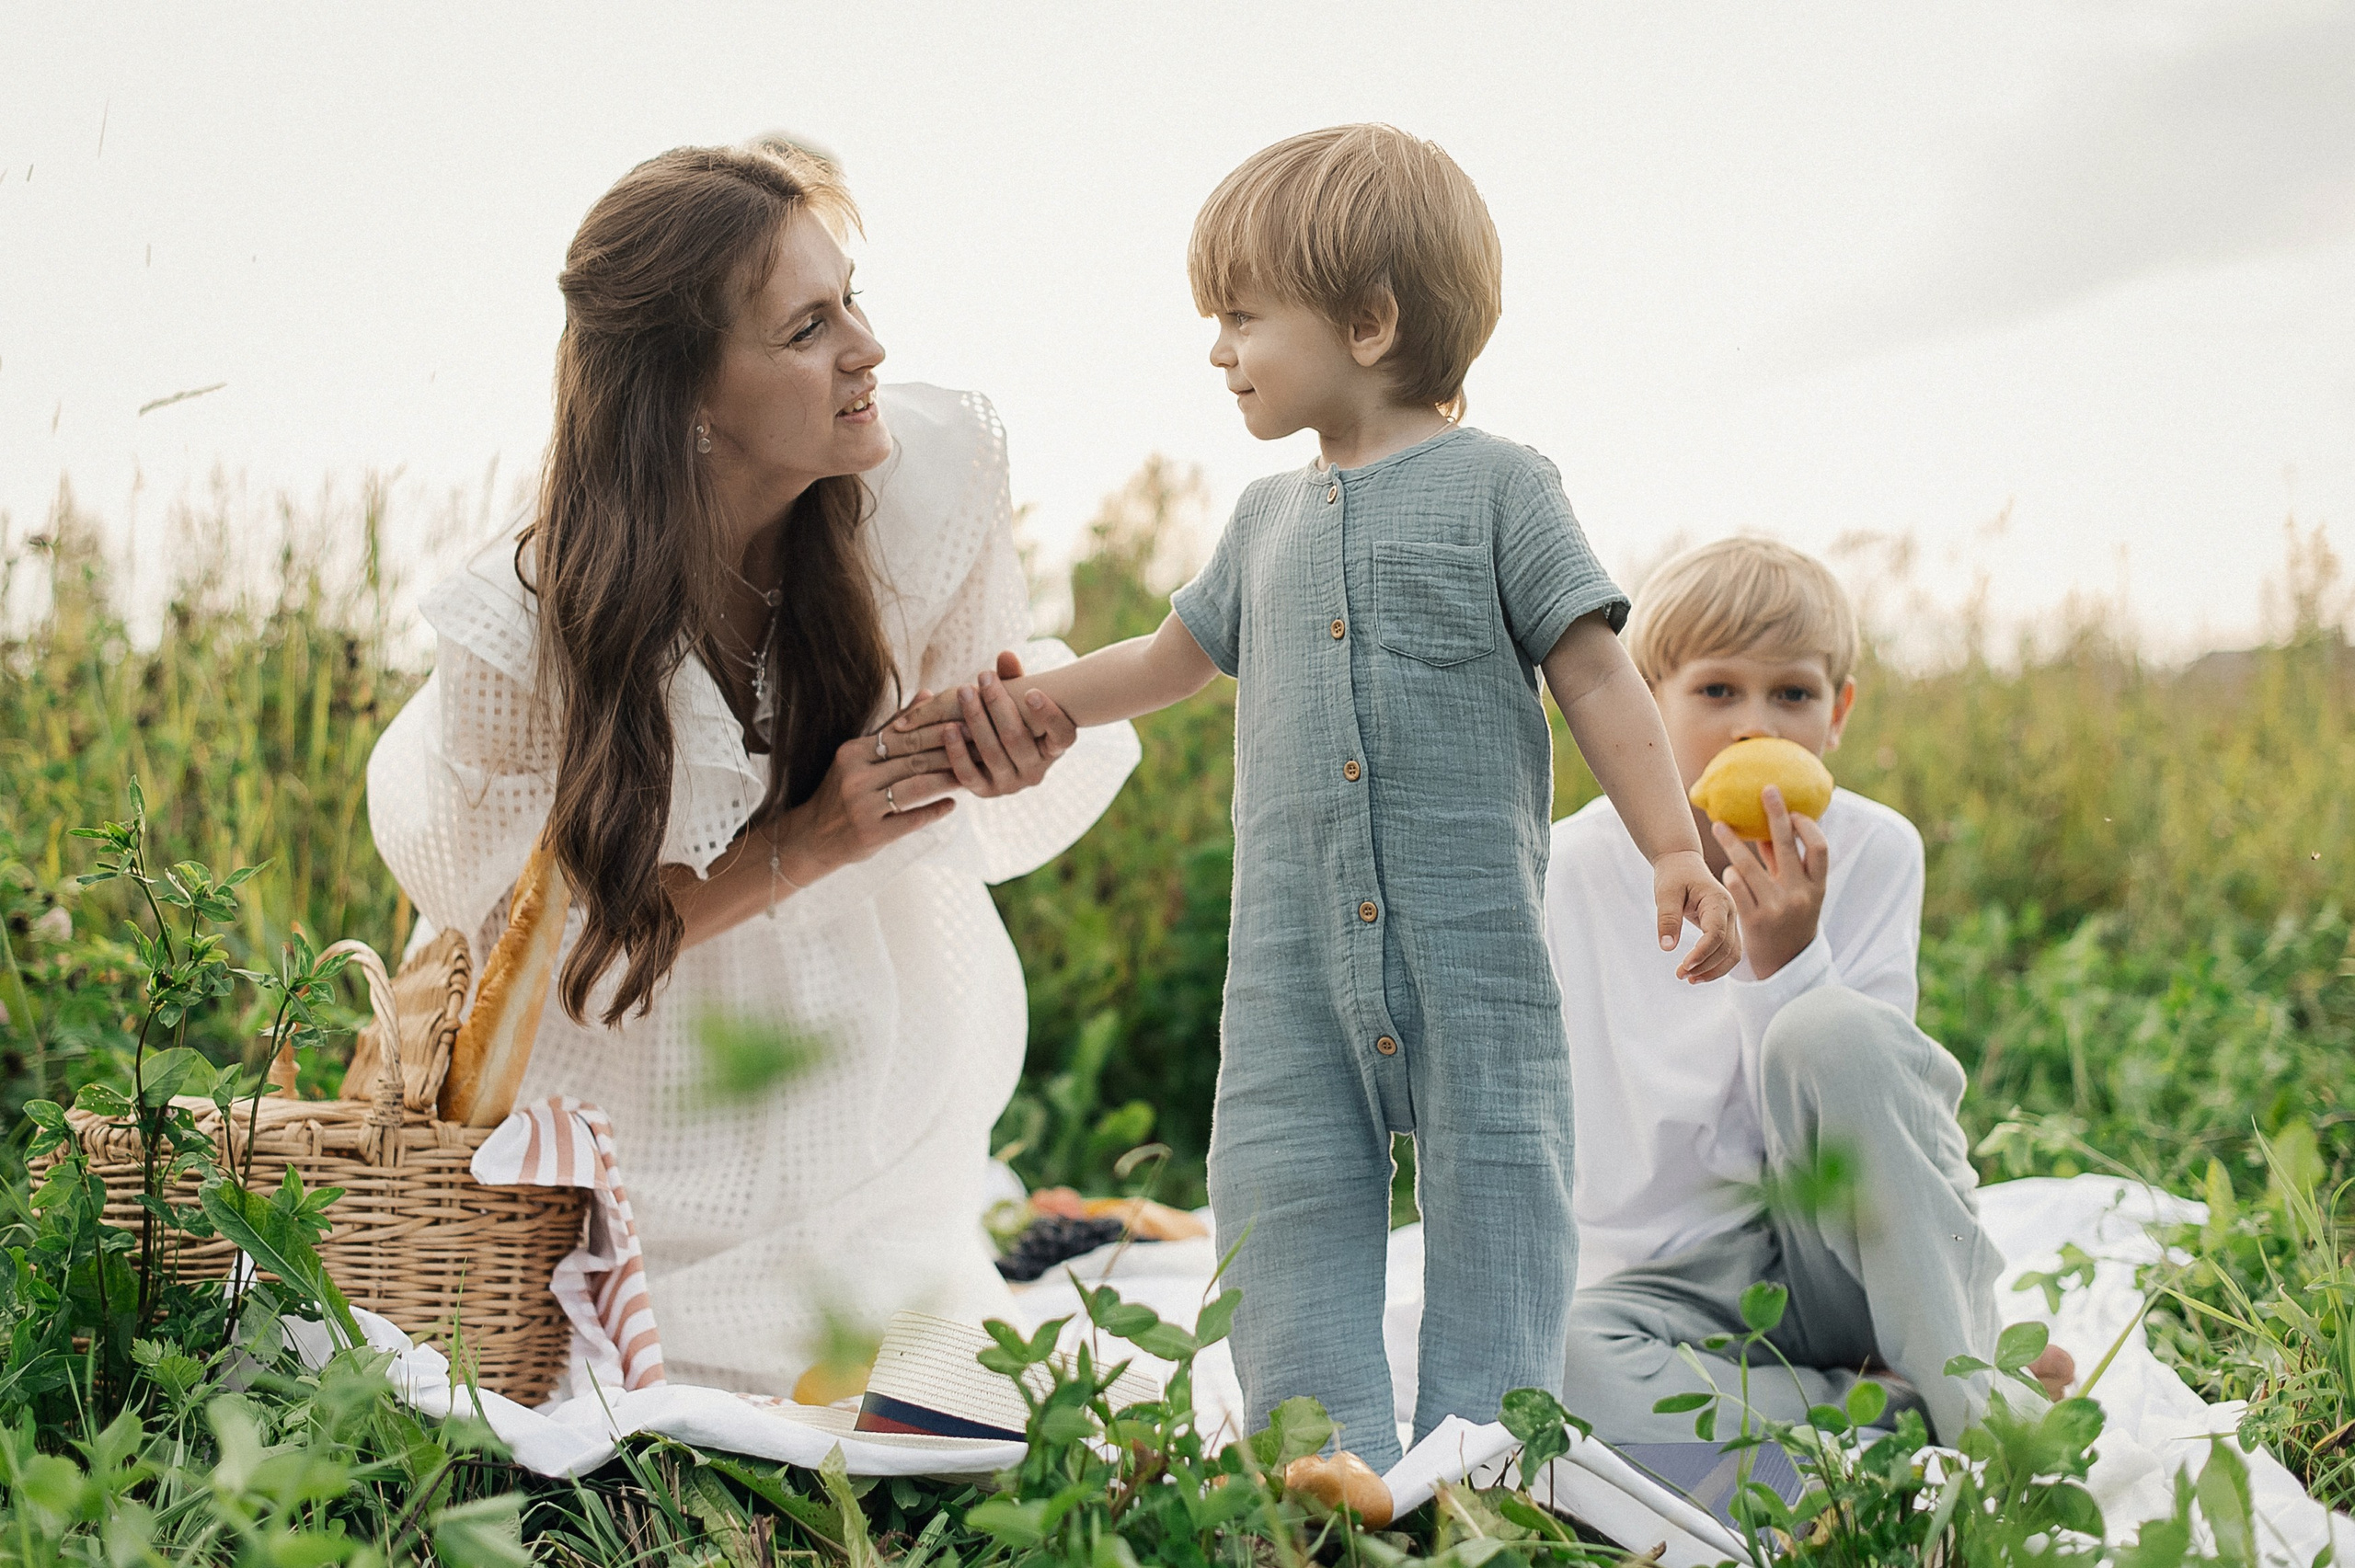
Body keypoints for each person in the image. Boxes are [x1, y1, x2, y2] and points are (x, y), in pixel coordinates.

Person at [895, 125, 1740, 1471]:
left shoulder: (1503, 488)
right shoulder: (1261, 523)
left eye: (1241, 315)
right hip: (1290, 962)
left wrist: (1670, 847)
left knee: (1504, 1196)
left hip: (1474, 952)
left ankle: (1486, 1456)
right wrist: (1043, 698)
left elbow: (1597, 675)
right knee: (1281, 1193)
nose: (1218, 348)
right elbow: (1171, 661)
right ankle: (1319, 1448)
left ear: (1369, 320)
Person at [366, 143, 1141, 1396]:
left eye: (854, 299)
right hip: (629, 1071)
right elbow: (548, 957)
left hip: (860, 1033)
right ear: (690, 396)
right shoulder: (526, 624)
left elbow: (991, 699)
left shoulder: (921, 483)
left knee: (934, 1372)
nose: (867, 348)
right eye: (806, 328)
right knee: (669, 1365)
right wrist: (809, 839)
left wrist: (996, 747)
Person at [1546, 537, 2071, 1444]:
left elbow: (1862, 1107)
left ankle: (1984, 1423)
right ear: (1642, 704)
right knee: (1559, 1362)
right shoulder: (1569, 871)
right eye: (1717, 690)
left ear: (1838, 714)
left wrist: (1785, 963)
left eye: (1792, 693)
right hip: (1680, 1283)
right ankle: (1891, 1415)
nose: (1758, 725)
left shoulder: (1875, 850)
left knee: (1832, 1026)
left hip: (1842, 1251)